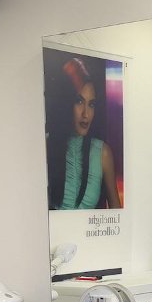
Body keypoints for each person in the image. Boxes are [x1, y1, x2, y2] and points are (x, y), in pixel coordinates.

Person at [46, 57, 120, 210]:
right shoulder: (46, 147)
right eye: (79, 101)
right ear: (67, 102)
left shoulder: (103, 153)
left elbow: (117, 213)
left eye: (91, 104)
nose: (86, 114)